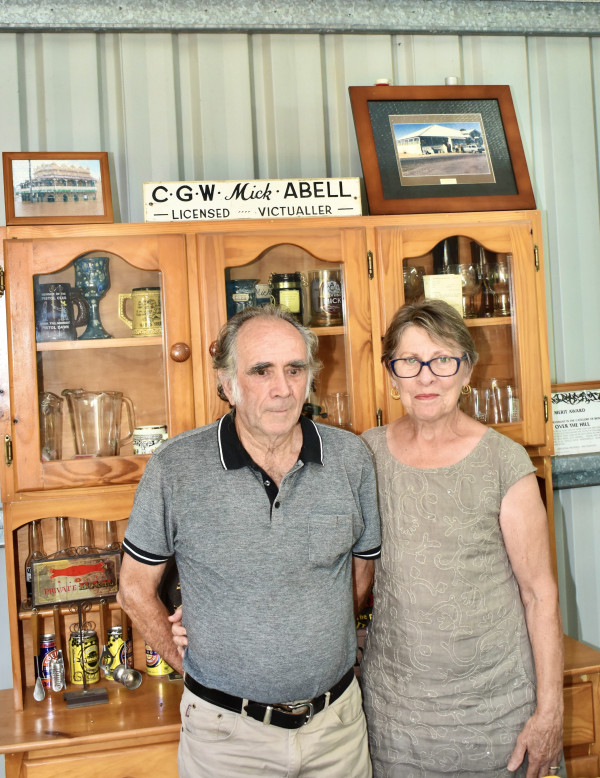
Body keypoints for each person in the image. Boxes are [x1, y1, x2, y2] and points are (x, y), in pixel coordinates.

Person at [117, 304, 381, 778]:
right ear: (227, 383)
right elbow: (134, 589)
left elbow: (362, 571)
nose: (282, 388)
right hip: (225, 738)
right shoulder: (175, 468)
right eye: (262, 371)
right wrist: (188, 665)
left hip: (337, 730)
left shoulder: (350, 458)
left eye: (295, 369)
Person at [360, 298, 563, 778]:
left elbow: (540, 595)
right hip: (394, 720)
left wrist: (550, 711)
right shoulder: (366, 455)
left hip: (495, 718)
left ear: (467, 370)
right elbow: (348, 577)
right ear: (391, 375)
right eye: (409, 361)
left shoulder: (504, 462)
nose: (426, 377)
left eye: (442, 360)